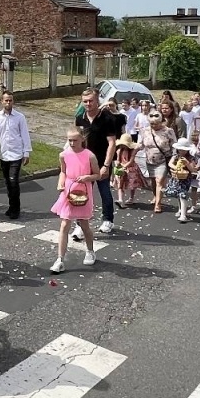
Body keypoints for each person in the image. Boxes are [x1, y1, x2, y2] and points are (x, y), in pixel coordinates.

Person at [74, 87, 124, 237]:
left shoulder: (107, 118)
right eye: (85, 101)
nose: (88, 104)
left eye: (91, 101)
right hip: (84, 163)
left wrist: (107, 165)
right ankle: (80, 224)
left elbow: (112, 143)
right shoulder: (80, 118)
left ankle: (108, 219)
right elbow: (76, 139)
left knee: (104, 191)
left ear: (97, 101)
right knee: (82, 193)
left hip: (101, 161)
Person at [50, 128, 97, 272]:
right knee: (65, 224)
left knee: (84, 223)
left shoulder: (89, 155)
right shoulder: (63, 155)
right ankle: (60, 259)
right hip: (69, 190)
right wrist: (60, 183)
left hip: (83, 190)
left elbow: (97, 174)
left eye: (75, 140)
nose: (71, 143)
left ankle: (90, 251)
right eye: (69, 140)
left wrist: (88, 177)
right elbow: (63, 171)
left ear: (82, 139)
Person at [0, 90, 32, 219]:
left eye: (10, 100)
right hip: (4, 154)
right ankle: (11, 206)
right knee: (8, 182)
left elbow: (25, 135)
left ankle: (15, 209)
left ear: (13, 101)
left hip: (16, 154)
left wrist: (26, 152)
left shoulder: (19, 117)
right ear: (1, 101)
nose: (8, 102)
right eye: (6, 100)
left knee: (13, 181)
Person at [139, 111, 176, 213]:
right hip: (150, 160)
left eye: (156, 124)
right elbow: (141, 144)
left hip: (163, 160)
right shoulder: (145, 131)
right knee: (153, 182)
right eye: (152, 124)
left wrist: (174, 158)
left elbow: (174, 145)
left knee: (159, 181)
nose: (153, 126)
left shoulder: (168, 131)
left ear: (161, 122)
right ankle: (156, 196)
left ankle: (158, 204)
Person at [111, 134, 144, 208]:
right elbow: (118, 160)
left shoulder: (132, 151)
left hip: (130, 169)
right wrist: (117, 164)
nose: (123, 146)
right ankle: (120, 200)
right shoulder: (119, 151)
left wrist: (124, 166)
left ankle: (131, 198)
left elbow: (131, 161)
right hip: (121, 169)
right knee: (120, 185)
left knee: (132, 185)